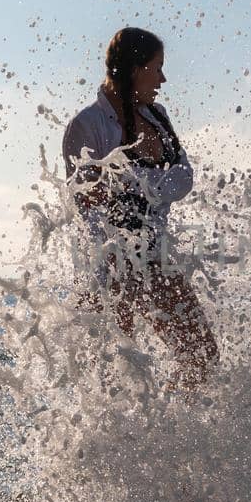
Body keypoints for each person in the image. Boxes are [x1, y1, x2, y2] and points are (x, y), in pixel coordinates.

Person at [62, 27, 219, 387]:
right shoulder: (87, 125)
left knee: (202, 356)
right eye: (156, 67)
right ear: (134, 69)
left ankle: (178, 431)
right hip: (109, 267)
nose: (163, 78)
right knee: (114, 379)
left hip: (155, 257)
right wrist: (144, 183)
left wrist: (137, 181)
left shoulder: (157, 115)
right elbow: (85, 197)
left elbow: (184, 177)